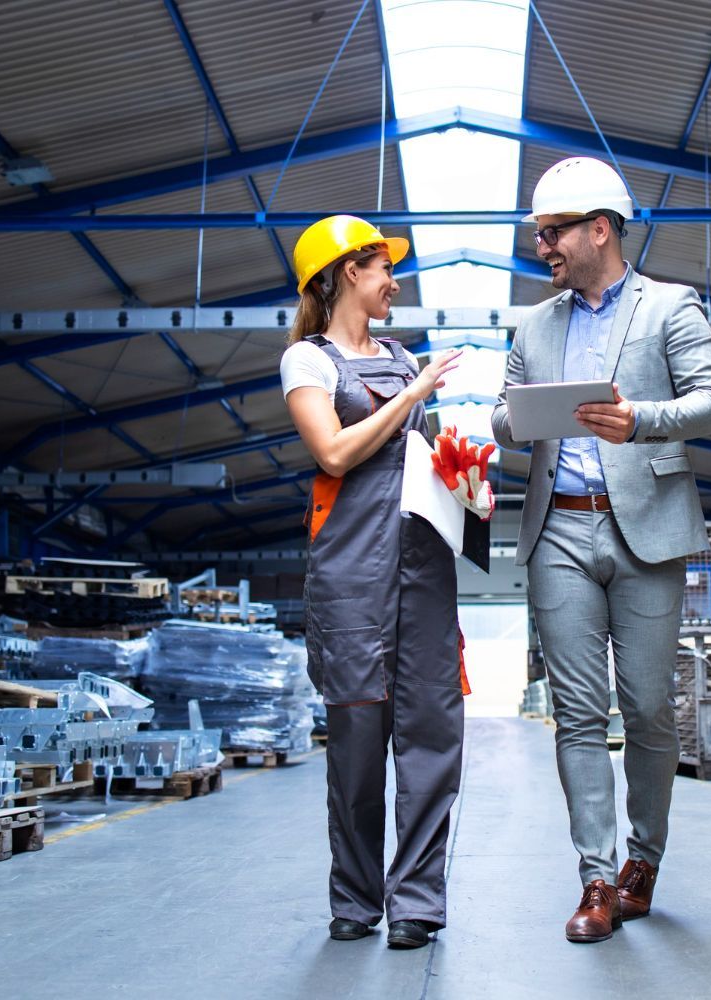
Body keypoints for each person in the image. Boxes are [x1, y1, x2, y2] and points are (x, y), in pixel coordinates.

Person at [490, 158, 711, 943]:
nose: (543, 245)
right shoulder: (533, 326)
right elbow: (500, 421)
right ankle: (595, 879)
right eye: (539, 233)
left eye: (554, 231)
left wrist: (643, 421)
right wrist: (521, 417)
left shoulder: (670, 308)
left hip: (646, 528)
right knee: (577, 714)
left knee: (650, 708)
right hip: (557, 525)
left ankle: (643, 862)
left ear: (601, 228)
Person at [282, 215, 475, 951]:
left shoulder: (398, 357)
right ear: (344, 275)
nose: (394, 281)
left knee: (431, 734)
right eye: (382, 267)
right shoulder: (309, 361)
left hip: (423, 570)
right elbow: (333, 453)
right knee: (358, 746)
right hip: (351, 575)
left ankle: (417, 906)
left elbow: (417, 458)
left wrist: (466, 472)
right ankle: (356, 900)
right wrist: (416, 391)